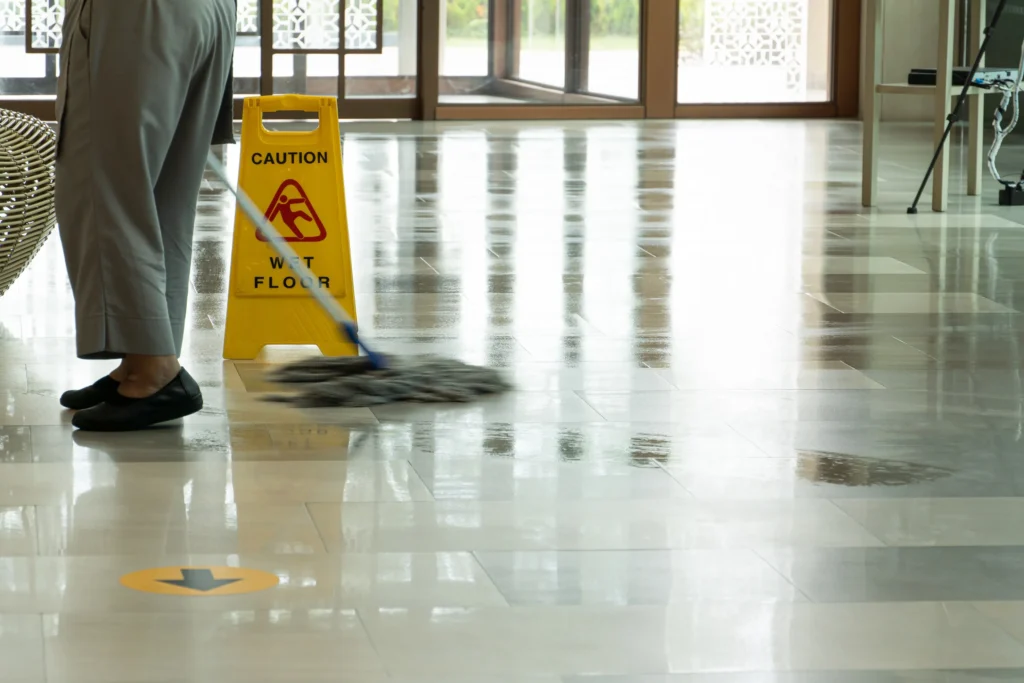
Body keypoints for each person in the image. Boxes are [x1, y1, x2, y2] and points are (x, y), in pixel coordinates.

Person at [54, 0, 236, 431]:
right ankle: (143, 361)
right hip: (208, 13)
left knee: (104, 189)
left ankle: (156, 369)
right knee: (163, 197)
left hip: (133, 15)